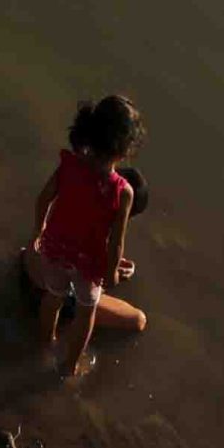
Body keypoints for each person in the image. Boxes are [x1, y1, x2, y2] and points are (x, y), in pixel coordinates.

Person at [21, 95, 149, 378]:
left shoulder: (70, 164)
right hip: (87, 261)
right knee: (85, 313)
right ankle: (69, 367)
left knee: (52, 299)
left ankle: (45, 345)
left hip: (55, 250)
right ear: (125, 149)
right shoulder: (121, 191)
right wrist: (112, 272)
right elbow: (116, 240)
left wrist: (38, 231)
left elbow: (44, 197)